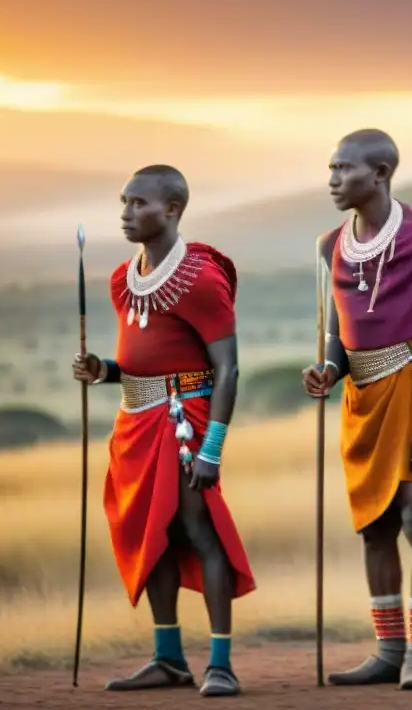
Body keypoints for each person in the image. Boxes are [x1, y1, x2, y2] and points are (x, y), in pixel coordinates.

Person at [71, 165, 255, 698]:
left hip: (184, 422)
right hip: (135, 424)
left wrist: (212, 448)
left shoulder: (201, 278)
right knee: (157, 537)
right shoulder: (120, 281)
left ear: (172, 210)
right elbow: (143, 361)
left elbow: (229, 369)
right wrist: (105, 370)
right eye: (124, 202)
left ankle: (220, 664)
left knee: (201, 532)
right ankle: (169, 658)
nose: (126, 213)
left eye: (138, 204)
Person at [300, 129, 412, 691]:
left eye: (343, 169)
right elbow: (338, 332)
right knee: (374, 526)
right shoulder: (332, 245)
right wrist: (330, 369)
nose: (332, 180)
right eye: (329, 170)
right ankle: (388, 649)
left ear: (380, 174)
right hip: (362, 398)